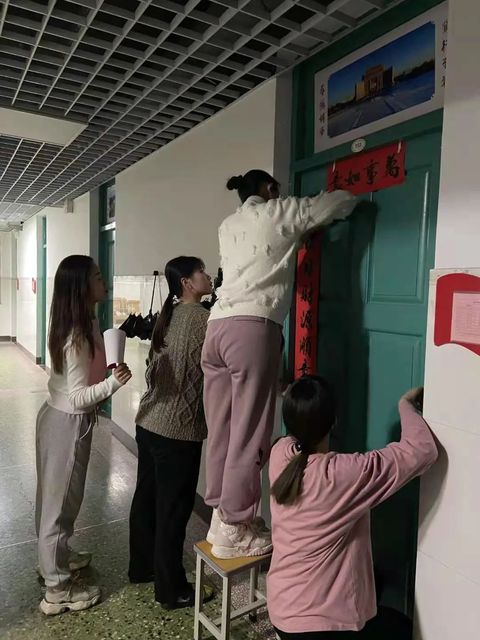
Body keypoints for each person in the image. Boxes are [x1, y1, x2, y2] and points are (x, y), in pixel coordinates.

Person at [202, 170, 357, 558]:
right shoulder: (278, 211)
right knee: (249, 430)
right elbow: (340, 202)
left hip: (216, 329)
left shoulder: (227, 224)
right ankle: (236, 527)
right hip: (252, 329)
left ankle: (220, 517)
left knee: (221, 428)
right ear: (269, 189)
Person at [267, 376, 438, 639]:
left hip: (281, 610)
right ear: (334, 421)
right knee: (404, 630)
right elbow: (422, 450)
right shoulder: (341, 475)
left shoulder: (280, 453)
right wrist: (406, 404)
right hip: (319, 626)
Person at [36, 255, 132, 615]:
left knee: (56, 502)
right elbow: (78, 396)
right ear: (82, 286)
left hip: (60, 418)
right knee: (59, 507)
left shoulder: (83, 320)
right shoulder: (76, 334)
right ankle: (57, 589)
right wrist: (112, 384)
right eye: (97, 276)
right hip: (67, 423)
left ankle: (54, 560)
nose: (103, 280)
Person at [129, 256, 215, 610]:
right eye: (201, 271)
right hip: (178, 432)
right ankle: (171, 590)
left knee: (147, 500)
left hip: (148, 422)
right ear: (186, 283)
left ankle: (142, 568)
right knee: (173, 512)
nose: (207, 275)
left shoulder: (170, 314)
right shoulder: (206, 320)